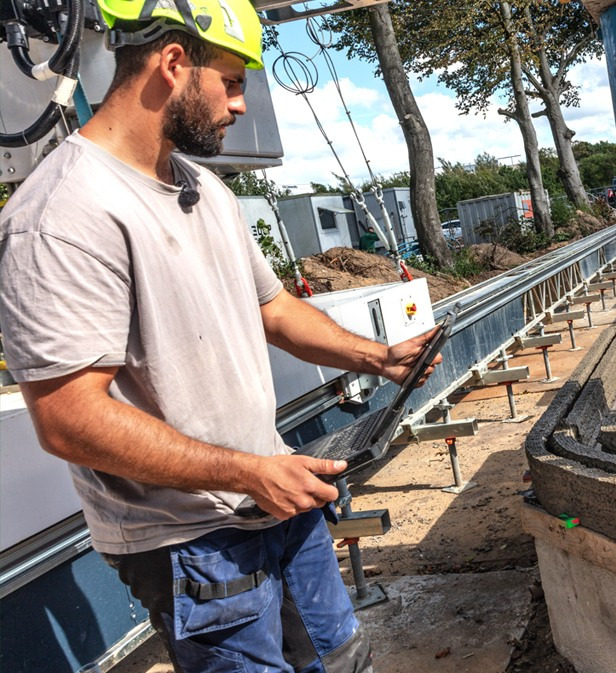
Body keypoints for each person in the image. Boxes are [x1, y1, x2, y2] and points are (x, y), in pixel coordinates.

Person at [0, 1, 441, 671]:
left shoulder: (203, 187)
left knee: (344, 656)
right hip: (186, 536)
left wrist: (379, 357)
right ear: (173, 63)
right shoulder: (62, 214)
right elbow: (67, 419)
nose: (239, 105)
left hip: (274, 493)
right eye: (231, 82)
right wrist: (247, 471)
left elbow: (272, 309)